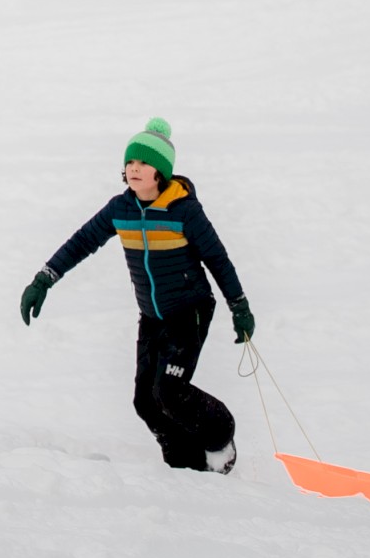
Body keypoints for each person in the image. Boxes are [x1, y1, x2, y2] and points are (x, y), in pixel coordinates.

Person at [19, 117, 254, 474]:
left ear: (161, 171)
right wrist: (44, 279)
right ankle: (187, 470)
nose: (134, 169)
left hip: (189, 310)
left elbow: (217, 260)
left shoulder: (184, 211)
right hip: (152, 315)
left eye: (143, 163)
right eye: (129, 162)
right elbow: (82, 242)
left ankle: (220, 436)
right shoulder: (121, 209)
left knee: (170, 391)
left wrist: (240, 307)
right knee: (146, 402)